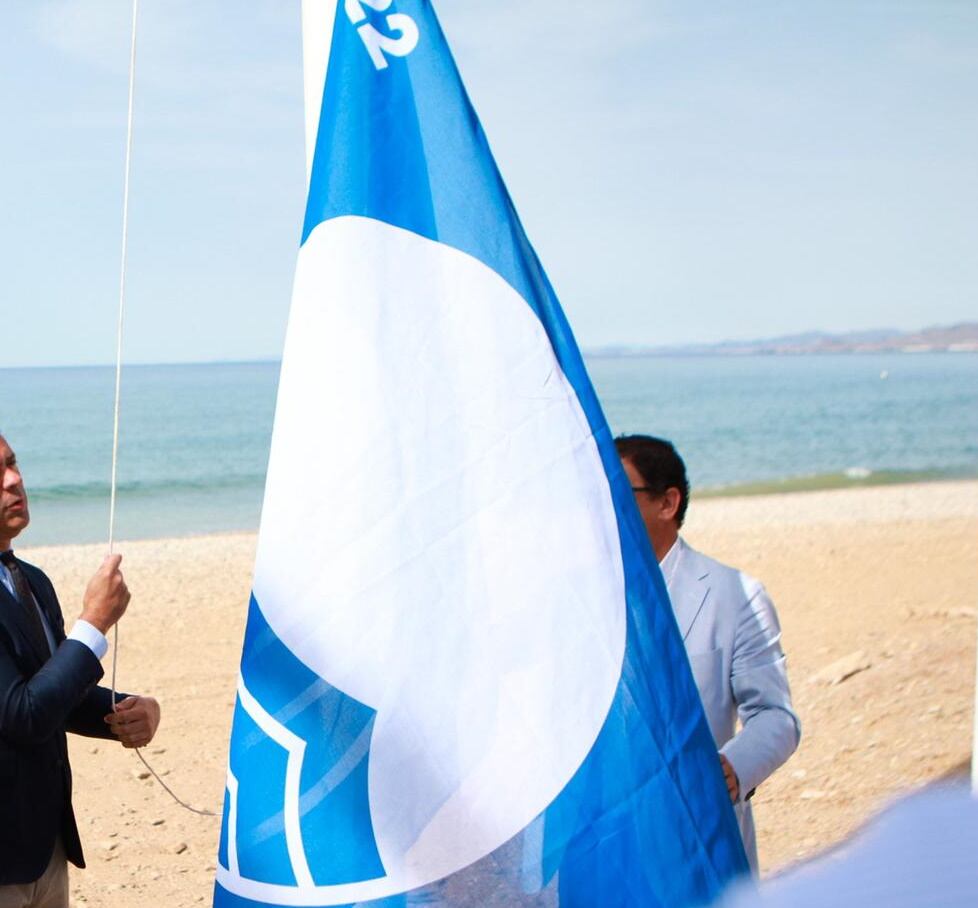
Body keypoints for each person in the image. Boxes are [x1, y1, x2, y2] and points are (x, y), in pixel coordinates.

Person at [615, 435, 800, 872]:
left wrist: (733, 769)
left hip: (698, 832)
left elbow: (776, 714)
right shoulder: (581, 598)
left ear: (667, 503)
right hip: (607, 838)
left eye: (619, 491)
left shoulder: (733, 595)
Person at [0, 432, 160, 906]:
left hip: (42, 845)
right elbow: (22, 713)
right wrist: (93, 624)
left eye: (13, 463)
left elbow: (51, 693)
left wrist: (125, 711)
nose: (15, 480)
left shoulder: (30, 580)